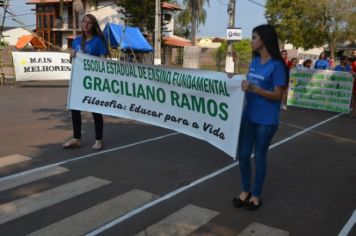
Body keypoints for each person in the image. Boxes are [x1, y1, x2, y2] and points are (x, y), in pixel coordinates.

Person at [232, 24, 288, 210]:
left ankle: (256, 195)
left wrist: (255, 89)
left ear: (264, 40)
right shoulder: (254, 62)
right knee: (243, 155)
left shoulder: (277, 65)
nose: (251, 40)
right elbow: (249, 83)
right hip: (249, 116)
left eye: (254, 37)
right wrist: (241, 84)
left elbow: (278, 95)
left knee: (260, 157)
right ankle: (245, 190)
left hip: (266, 120)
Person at [63, 14, 109, 150]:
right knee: (75, 109)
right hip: (78, 81)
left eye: (89, 23)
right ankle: (76, 138)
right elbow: (73, 62)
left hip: (93, 82)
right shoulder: (76, 41)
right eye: (84, 22)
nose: (86, 24)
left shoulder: (98, 42)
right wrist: (71, 57)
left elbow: (103, 62)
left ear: (93, 26)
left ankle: (99, 140)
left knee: (95, 109)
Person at [350, 50, 356, 118]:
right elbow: (352, 72)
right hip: (354, 83)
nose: (354, 54)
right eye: (354, 53)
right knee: (354, 99)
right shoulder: (353, 63)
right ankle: (354, 113)